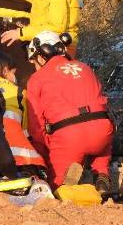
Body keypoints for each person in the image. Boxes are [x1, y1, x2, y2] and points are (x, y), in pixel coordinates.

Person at [25, 31, 114, 191]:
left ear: (41, 55)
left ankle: (65, 183)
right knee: (100, 139)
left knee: (58, 185)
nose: (35, 67)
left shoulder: (36, 79)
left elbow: (36, 127)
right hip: (102, 131)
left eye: (34, 62)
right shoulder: (86, 68)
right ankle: (101, 174)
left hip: (69, 137)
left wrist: (48, 149)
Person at [0, 52, 46, 173]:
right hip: (16, 158)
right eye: (13, 72)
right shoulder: (19, 92)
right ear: (4, 71)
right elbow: (28, 132)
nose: (15, 76)